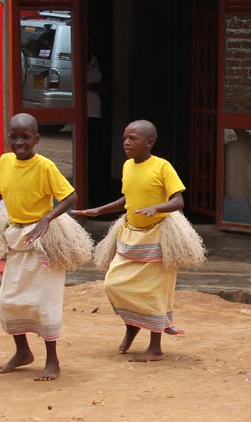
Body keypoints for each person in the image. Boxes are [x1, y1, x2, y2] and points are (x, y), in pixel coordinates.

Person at [0, 113, 79, 381]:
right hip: (17, 239)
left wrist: (46, 219)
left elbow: (71, 196)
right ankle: (22, 352)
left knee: (44, 304)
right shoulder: (5, 161)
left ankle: (53, 360)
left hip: (43, 242)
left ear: (37, 139)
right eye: (14, 137)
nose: (19, 142)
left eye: (25, 137)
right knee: (9, 302)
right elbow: (1, 191)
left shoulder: (46, 166)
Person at [73, 120, 200, 362]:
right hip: (130, 235)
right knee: (113, 283)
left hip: (159, 235)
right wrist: (98, 211)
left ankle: (155, 347)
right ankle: (132, 323)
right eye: (124, 138)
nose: (126, 143)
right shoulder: (127, 166)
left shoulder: (162, 167)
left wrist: (157, 208)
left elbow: (178, 201)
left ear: (149, 142)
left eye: (133, 138)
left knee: (153, 290)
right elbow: (126, 199)